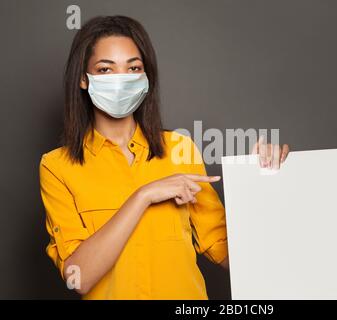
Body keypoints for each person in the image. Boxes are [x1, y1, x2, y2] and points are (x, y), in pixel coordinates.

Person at [39, 15, 290, 299]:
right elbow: (79, 278)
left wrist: (262, 184)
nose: (122, 79)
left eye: (133, 68)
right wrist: (144, 195)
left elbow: (227, 251)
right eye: (106, 69)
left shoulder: (180, 149)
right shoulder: (57, 167)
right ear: (84, 79)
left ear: (146, 79)